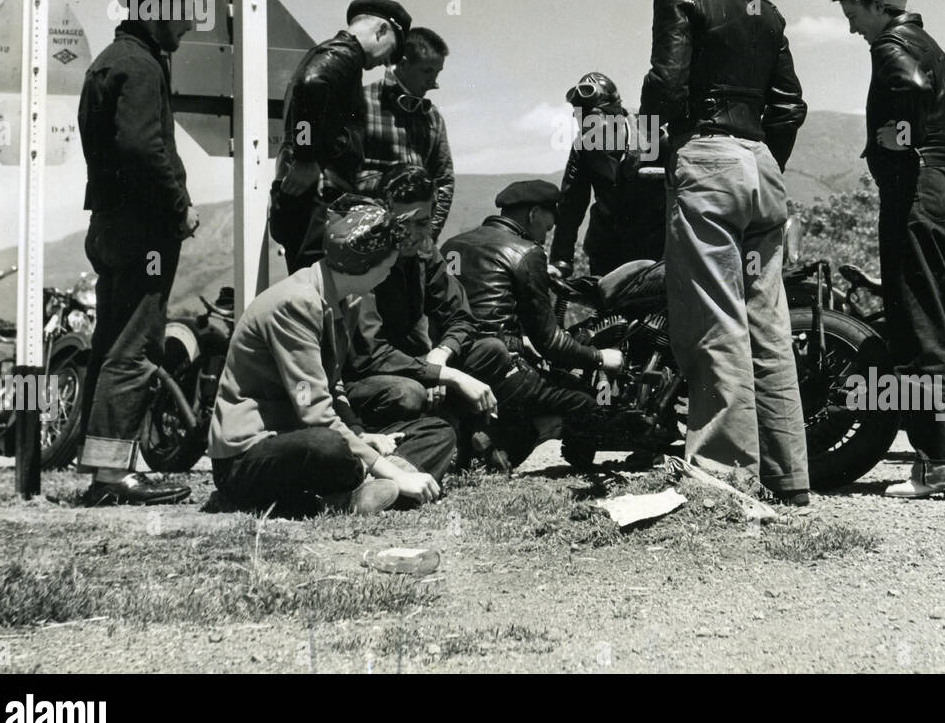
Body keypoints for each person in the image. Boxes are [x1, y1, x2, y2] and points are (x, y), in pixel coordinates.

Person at [635, 0, 811, 506]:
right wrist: (763, 163)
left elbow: (666, 83)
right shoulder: (764, 2)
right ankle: (788, 479)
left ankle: (725, 480)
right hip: (762, 167)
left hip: (706, 159)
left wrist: (650, 146)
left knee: (714, 320)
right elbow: (790, 106)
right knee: (768, 323)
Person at [825, 0, 945, 499]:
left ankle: (939, 466)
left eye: (853, 10)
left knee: (921, 329)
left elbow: (908, 84)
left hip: (915, 197)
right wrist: (944, 147)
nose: (851, 24)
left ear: (877, 4)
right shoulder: (936, 48)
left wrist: (898, 141)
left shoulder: (893, 47)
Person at [208, 196, 455, 516]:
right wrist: (381, 463)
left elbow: (333, 385)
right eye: (388, 264)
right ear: (367, 265)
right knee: (329, 446)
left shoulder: (347, 298)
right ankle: (374, 485)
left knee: (437, 432)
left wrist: (360, 434)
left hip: (305, 434)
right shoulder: (295, 303)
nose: (391, 270)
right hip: (249, 455)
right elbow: (314, 411)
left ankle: (361, 492)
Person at [76, 0, 199, 506]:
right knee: (135, 346)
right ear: (156, 11)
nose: (187, 24)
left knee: (112, 343)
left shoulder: (108, 62)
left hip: (107, 224)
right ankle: (110, 477)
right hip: (142, 229)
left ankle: (104, 466)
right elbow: (144, 149)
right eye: (180, 13)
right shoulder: (143, 66)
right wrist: (180, 207)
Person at [441, 180, 660, 466]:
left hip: (454, 362)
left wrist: (521, 341)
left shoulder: (453, 246)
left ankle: (485, 436)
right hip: (500, 368)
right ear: (533, 214)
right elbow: (551, 342)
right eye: (549, 220)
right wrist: (600, 358)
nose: (550, 229)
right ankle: (512, 445)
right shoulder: (525, 252)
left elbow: (467, 311)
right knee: (585, 402)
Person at [343, 166, 504, 436]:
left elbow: (461, 318)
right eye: (402, 223)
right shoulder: (364, 256)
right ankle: (405, 445)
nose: (413, 234)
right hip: (366, 377)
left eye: (422, 223)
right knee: (408, 393)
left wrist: (441, 355)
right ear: (385, 213)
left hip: (416, 363)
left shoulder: (425, 249)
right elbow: (368, 354)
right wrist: (437, 374)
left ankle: (449, 431)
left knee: (492, 351)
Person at [269, 0, 410, 273]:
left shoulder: (329, 54)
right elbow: (314, 83)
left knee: (312, 288)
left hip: (307, 196)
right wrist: (307, 158)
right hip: (319, 197)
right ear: (381, 31)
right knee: (318, 289)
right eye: (390, 52)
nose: (385, 64)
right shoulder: (343, 55)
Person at [549, 71, 666, 276]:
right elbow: (570, 205)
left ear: (616, 116)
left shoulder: (655, 134)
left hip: (655, 244)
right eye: (582, 125)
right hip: (607, 246)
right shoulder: (583, 147)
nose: (590, 134)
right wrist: (561, 259)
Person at [359, 27, 456, 241]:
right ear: (403, 64)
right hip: (367, 241)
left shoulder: (433, 118)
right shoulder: (361, 104)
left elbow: (444, 180)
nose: (434, 83)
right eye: (427, 71)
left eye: (437, 73)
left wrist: (428, 234)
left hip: (413, 245)